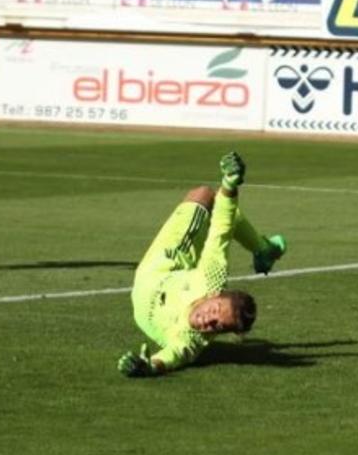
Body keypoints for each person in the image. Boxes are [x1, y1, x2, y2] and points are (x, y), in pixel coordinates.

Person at [117, 153, 288, 377]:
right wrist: (229, 184)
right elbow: (221, 229)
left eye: (217, 326)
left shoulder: (192, 340)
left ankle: (263, 249)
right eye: (215, 310)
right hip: (168, 264)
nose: (209, 321)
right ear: (215, 294)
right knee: (206, 196)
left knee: (207, 196)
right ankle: (263, 250)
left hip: (152, 279)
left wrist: (147, 366)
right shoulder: (211, 278)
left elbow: (171, 357)